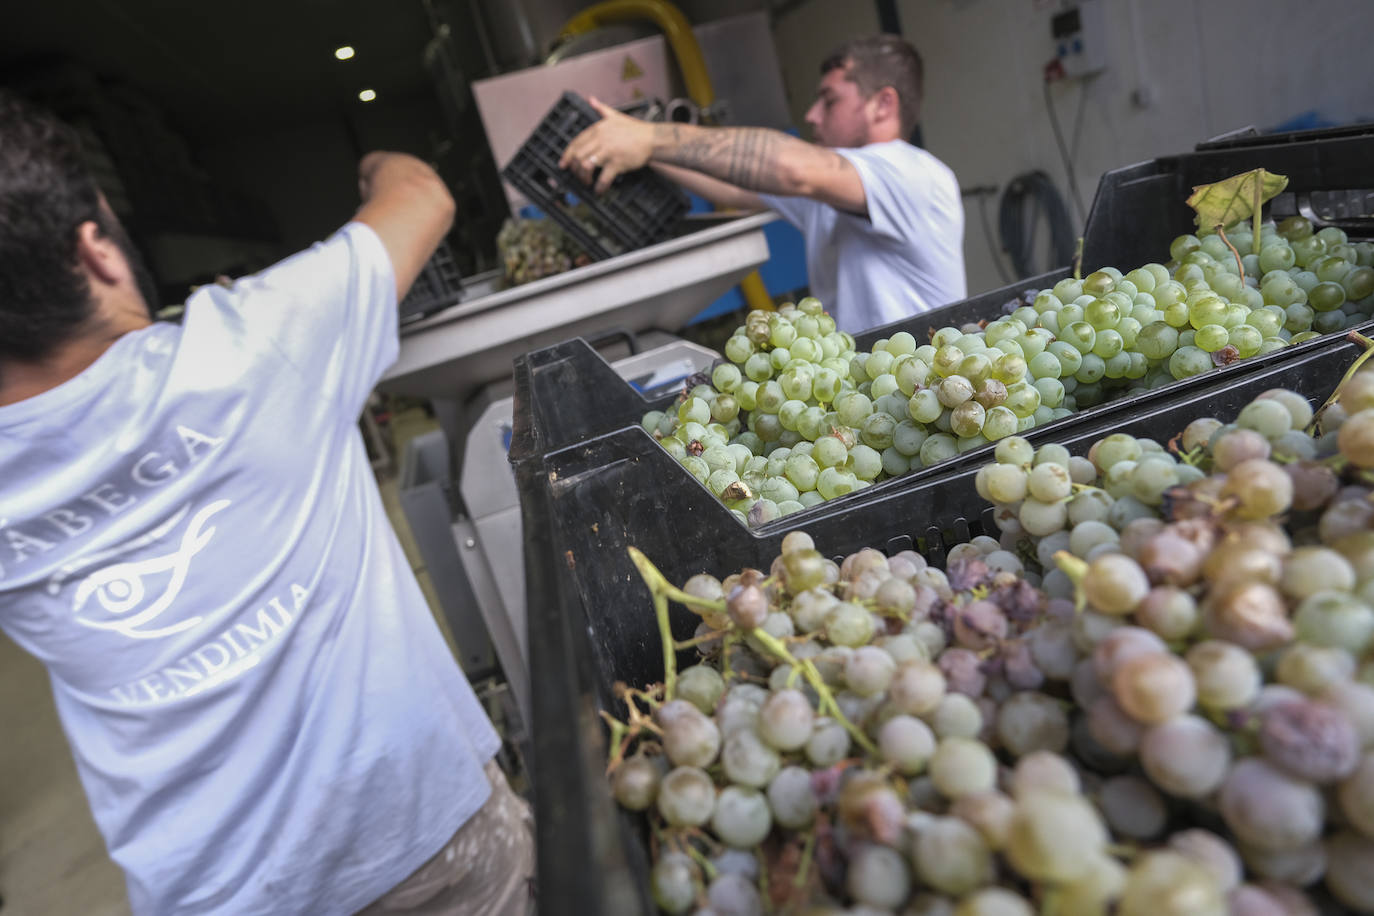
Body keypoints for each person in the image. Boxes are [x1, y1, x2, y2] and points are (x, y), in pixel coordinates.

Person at [0, 91, 533, 915]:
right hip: (426, 847)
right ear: (95, 253)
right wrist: (372, 162)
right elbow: (421, 194)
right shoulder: (251, 341)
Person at [560, 34, 967, 334]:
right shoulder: (833, 190)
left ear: (883, 104)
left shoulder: (912, 174)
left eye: (829, 100)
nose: (811, 115)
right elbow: (730, 186)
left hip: (921, 393)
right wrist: (640, 144)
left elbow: (792, 168)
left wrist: (652, 139)